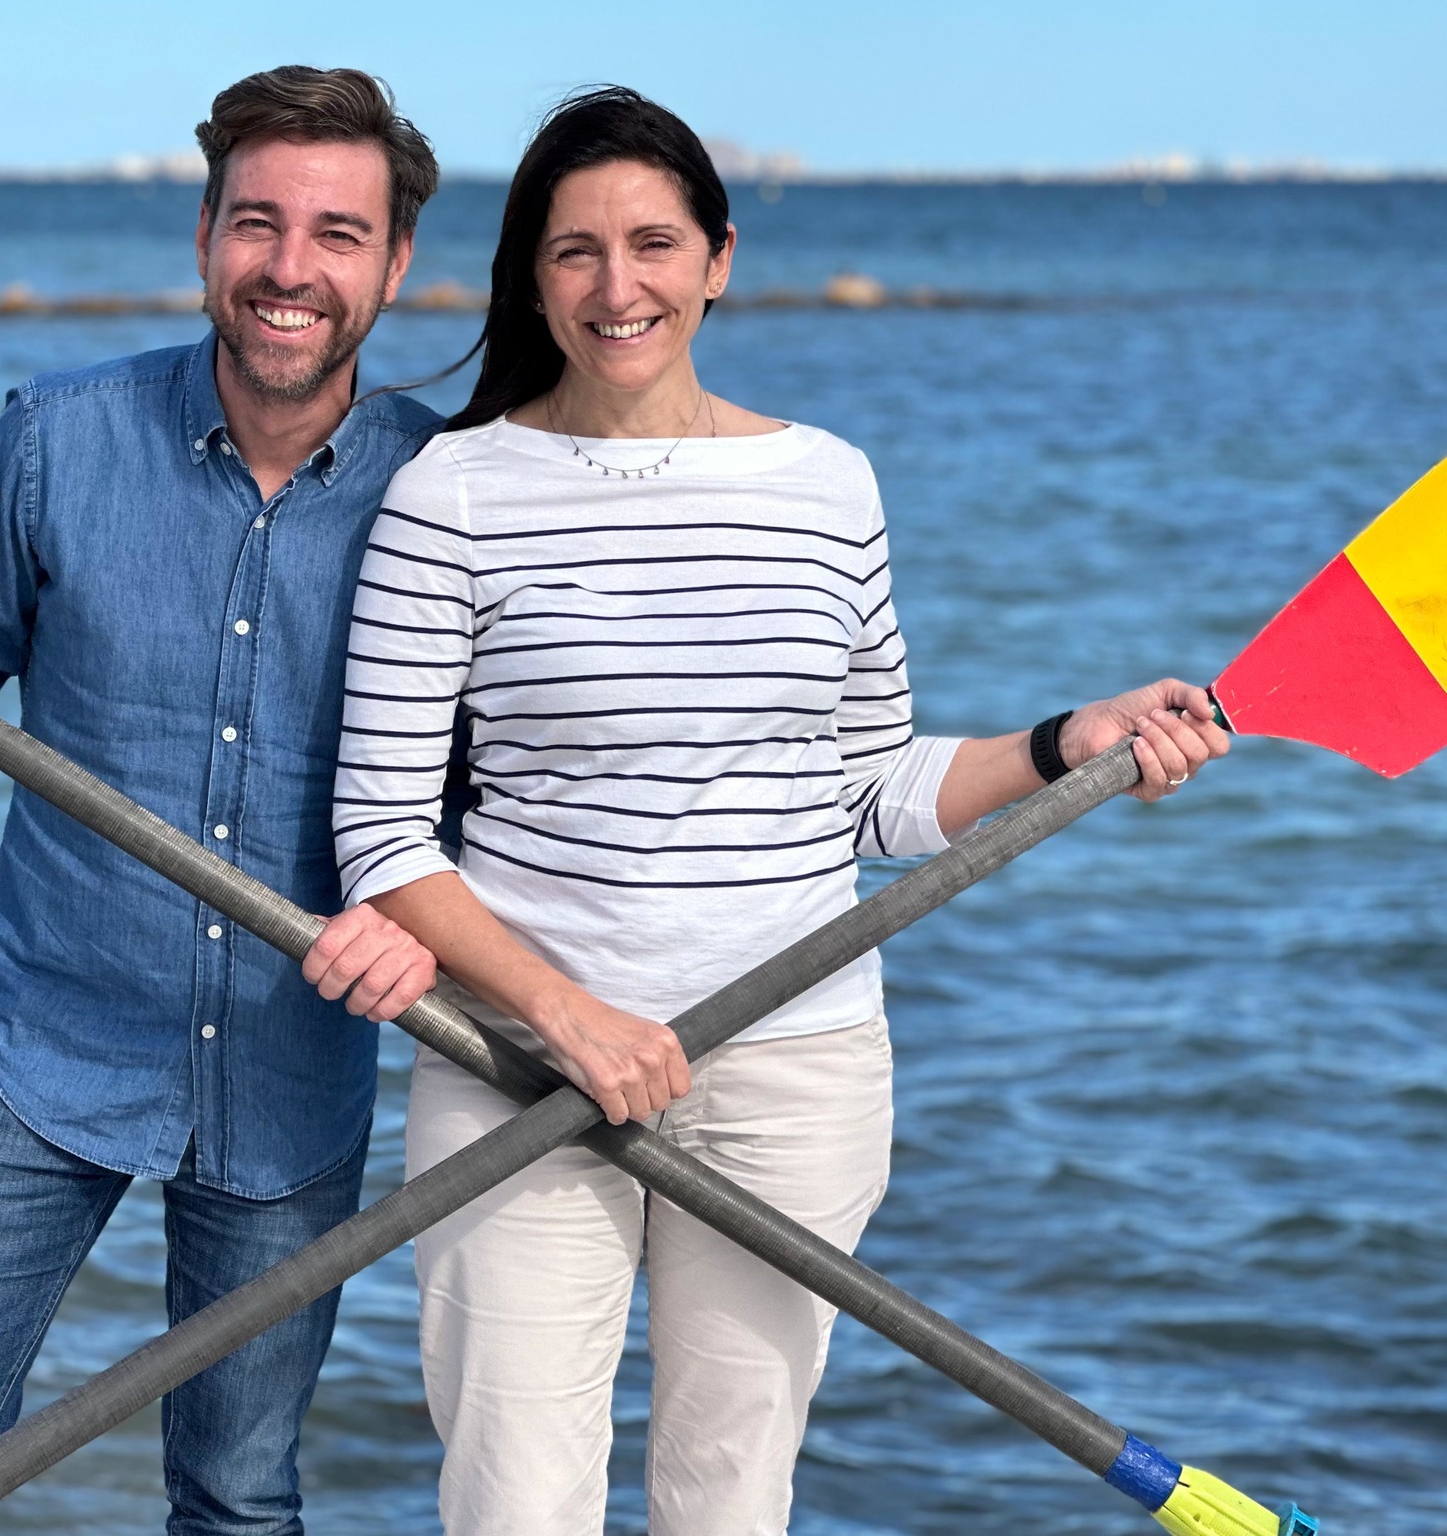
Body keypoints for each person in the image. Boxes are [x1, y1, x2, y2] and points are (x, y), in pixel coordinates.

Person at [331, 87, 1228, 1536]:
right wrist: (568, 1017)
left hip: (794, 1071)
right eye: (574, 253)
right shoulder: (457, 492)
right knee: (510, 1505)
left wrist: (1073, 738)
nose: (618, 288)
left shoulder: (826, 485)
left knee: (729, 1498)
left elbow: (868, 793)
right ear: (531, 275)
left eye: (654, 244)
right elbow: (378, 838)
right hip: (518, 1070)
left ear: (719, 259)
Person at [0, 67, 445, 1536]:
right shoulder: (59, 436)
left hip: (292, 1069)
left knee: (241, 1496)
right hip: (40, 1043)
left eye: (336, 233)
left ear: (394, 266)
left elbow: (495, 784)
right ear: (202, 238)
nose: (289, 269)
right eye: (257, 224)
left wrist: (435, 921)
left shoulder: (449, 494)